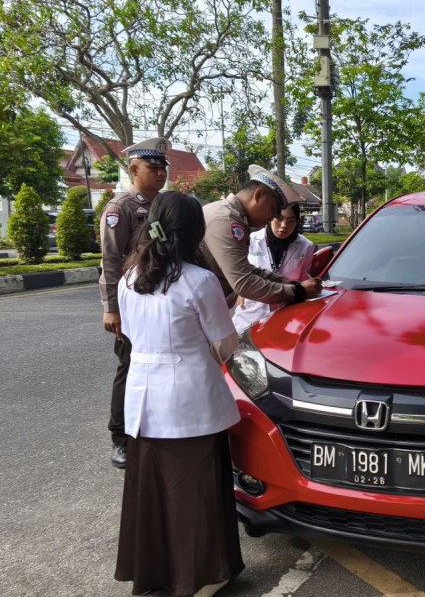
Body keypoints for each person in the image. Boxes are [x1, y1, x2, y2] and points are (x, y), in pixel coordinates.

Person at [114, 191, 243, 597]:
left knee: (152, 493)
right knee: (196, 492)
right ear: (194, 232)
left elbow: (132, 336)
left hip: (143, 402)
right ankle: (200, 575)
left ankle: (155, 573)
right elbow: (226, 345)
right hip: (191, 402)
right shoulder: (200, 281)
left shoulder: (129, 279)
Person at [99, 137, 171, 469]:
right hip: (130, 305)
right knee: (128, 368)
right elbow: (111, 262)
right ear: (134, 169)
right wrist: (111, 307)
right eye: (152, 168)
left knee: (155, 366)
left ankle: (148, 430)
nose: (160, 174)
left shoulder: (160, 206)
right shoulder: (120, 209)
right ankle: (120, 438)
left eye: (162, 168)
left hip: (159, 301)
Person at [201, 164, 322, 309]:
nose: (272, 218)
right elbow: (244, 283)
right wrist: (299, 292)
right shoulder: (227, 221)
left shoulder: (227, 214)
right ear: (258, 196)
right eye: (273, 210)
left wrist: (289, 283)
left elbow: (245, 268)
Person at [231, 202, 316, 333]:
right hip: (251, 311)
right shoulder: (251, 240)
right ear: (271, 217)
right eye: (279, 218)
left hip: (288, 313)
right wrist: (238, 290)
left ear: (297, 222)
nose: (284, 226)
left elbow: (304, 279)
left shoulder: (306, 246)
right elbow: (238, 271)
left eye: (290, 221)